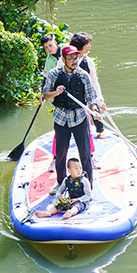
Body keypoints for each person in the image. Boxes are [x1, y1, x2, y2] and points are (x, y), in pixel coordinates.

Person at [40, 44, 98, 184]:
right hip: (61, 119)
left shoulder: (83, 75)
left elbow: (91, 97)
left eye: (76, 58)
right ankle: (61, 184)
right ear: (63, 59)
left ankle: (88, 186)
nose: (74, 61)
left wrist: (94, 109)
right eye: (71, 58)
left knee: (85, 154)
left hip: (79, 118)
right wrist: (55, 92)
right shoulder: (54, 73)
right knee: (60, 155)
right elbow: (45, 95)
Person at [68, 32, 106, 135]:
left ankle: (100, 130)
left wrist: (100, 98)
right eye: (87, 44)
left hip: (86, 92)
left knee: (95, 107)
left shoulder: (88, 62)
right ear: (80, 46)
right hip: (71, 94)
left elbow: (94, 81)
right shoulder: (65, 60)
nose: (89, 46)